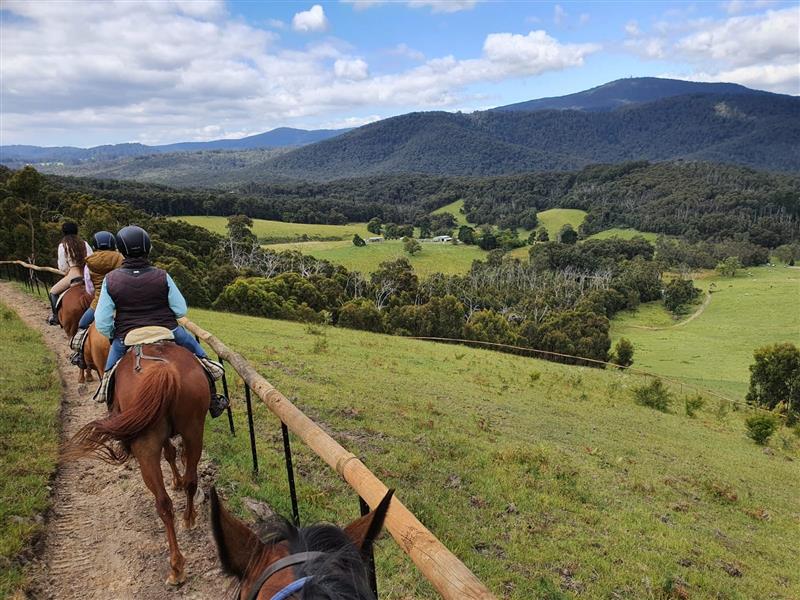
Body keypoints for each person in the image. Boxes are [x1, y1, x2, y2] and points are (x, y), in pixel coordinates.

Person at [94, 225, 228, 416]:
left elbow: (102, 320)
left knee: (109, 374)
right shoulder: (161, 275)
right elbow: (180, 309)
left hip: (127, 335)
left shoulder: (111, 279)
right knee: (203, 360)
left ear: (121, 251)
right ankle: (213, 398)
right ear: (148, 247)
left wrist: (113, 335)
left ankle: (111, 407)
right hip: (168, 329)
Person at [48, 222, 93, 325]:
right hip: (87, 274)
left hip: (73, 273)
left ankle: (56, 317)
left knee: (53, 292)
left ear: (64, 232)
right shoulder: (84, 243)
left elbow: (63, 266)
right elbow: (91, 258)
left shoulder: (62, 246)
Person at [78, 231, 124, 329]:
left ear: (94, 246)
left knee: (82, 324)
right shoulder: (120, 258)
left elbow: (89, 289)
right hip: (121, 302)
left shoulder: (89, 262)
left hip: (99, 302)